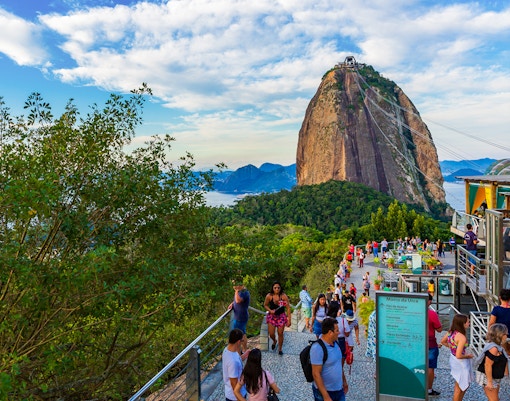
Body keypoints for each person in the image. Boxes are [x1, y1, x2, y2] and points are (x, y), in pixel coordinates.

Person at [310, 317, 349, 401]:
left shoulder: (336, 343)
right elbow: (316, 374)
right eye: (337, 330)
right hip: (325, 392)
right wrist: (326, 396)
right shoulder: (317, 348)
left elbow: (339, 365)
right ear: (330, 332)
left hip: (339, 390)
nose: (339, 333)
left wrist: (344, 382)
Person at [440, 314, 474, 401]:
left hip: (453, 360)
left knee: (459, 385)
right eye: (468, 322)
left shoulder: (450, 332)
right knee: (460, 387)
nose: (469, 323)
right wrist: (468, 356)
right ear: (462, 323)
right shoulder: (461, 337)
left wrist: (452, 348)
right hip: (461, 363)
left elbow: (443, 342)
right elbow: (459, 355)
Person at [473, 323, 509, 401]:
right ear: (500, 335)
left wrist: (506, 375)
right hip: (488, 377)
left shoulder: (500, 347)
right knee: (494, 399)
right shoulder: (493, 348)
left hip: (495, 377)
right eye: (506, 334)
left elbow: (505, 360)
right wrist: (489, 382)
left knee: (493, 398)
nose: (507, 336)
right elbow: (487, 365)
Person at [264, 281, 291, 356]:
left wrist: (289, 319)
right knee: (271, 333)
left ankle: (280, 349)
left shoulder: (283, 296)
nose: (277, 289)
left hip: (281, 316)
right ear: (272, 288)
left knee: (280, 333)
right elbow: (265, 305)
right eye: (275, 287)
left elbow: (288, 308)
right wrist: (270, 310)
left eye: (278, 287)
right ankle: (274, 341)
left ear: (280, 288)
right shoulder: (269, 296)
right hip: (272, 316)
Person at [223, 328, 250, 401]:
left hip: (230, 393)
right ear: (238, 342)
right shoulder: (233, 361)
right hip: (235, 397)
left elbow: (236, 360)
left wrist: (244, 356)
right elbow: (233, 383)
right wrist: (240, 399)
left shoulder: (227, 349)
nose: (242, 342)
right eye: (242, 340)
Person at [427, 294, 442, 397]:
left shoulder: (414, 312)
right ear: (429, 302)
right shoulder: (432, 314)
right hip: (430, 343)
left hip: (416, 342)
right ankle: (429, 389)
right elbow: (439, 329)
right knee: (430, 367)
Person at [229, 280, 250, 352]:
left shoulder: (244, 292)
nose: (234, 286)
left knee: (241, 334)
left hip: (240, 317)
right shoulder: (241, 292)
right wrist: (232, 304)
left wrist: (236, 291)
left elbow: (238, 300)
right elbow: (236, 301)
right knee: (242, 333)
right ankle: (242, 350)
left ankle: (243, 350)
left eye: (235, 284)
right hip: (238, 316)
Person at [488, 288, 510, 353]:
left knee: (501, 354)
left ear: (500, 297)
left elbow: (491, 323)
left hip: (500, 336)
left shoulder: (496, 309)